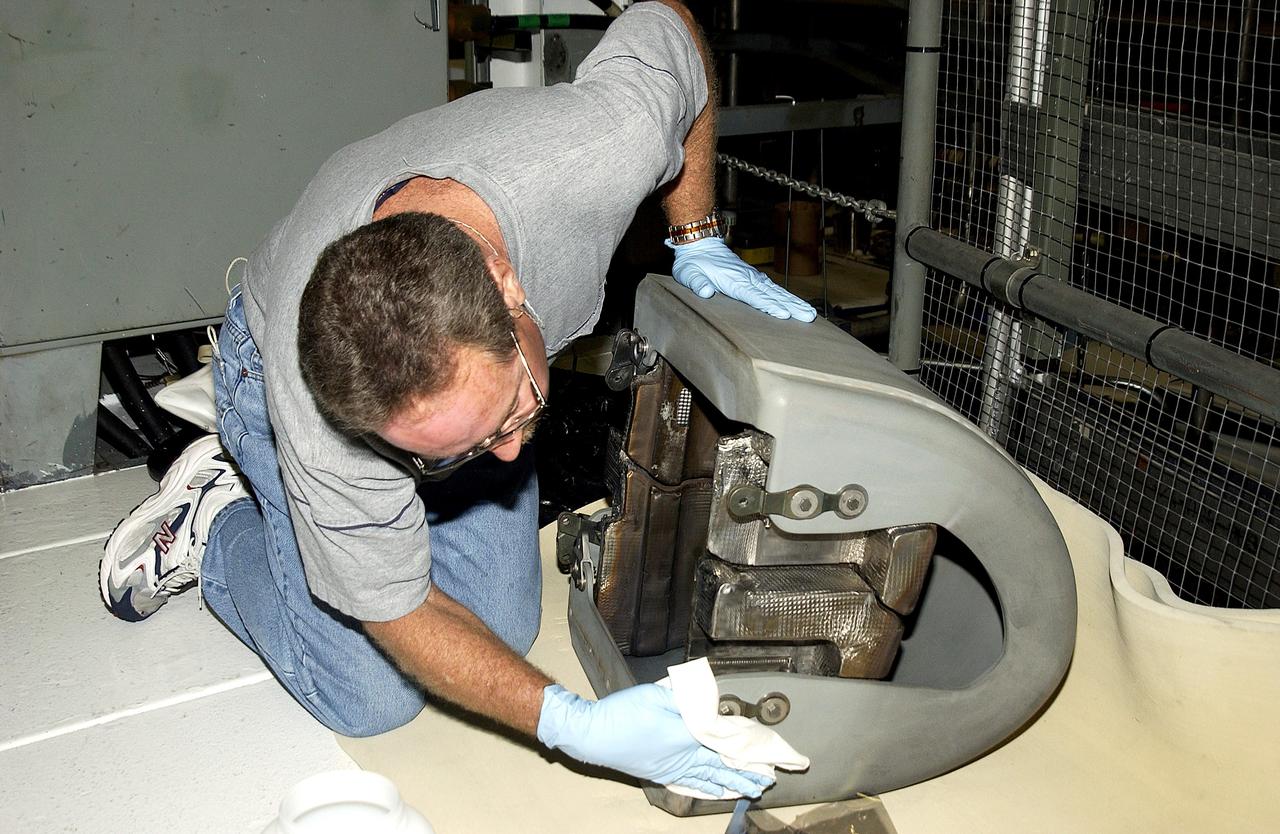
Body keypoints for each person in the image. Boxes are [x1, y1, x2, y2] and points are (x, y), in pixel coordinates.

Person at [99, 0, 815, 800]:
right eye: (446, 453)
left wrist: (697, 235)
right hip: (263, 364)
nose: (513, 456)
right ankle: (217, 520)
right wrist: (570, 727)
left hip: (447, 372)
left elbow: (672, 23)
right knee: (373, 697)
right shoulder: (326, 408)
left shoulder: (599, 147)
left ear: (508, 286)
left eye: (513, 414)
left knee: (503, 632)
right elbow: (397, 610)